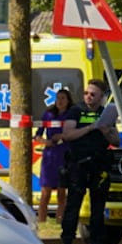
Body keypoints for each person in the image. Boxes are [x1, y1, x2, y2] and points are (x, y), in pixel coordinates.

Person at [58, 78, 119, 244]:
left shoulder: (105, 113)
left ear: (101, 97)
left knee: (98, 209)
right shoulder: (76, 111)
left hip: (99, 165)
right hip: (78, 165)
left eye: (93, 94)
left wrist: (105, 130)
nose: (88, 97)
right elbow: (67, 134)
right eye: (86, 93)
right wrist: (91, 127)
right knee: (73, 207)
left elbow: (116, 141)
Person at [36, 84, 79, 228]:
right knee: (45, 192)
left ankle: (60, 222)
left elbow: (72, 133)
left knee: (62, 191)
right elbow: (38, 134)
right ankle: (41, 222)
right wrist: (43, 141)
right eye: (57, 98)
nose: (60, 101)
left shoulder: (71, 115)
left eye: (63, 98)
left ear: (68, 100)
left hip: (64, 154)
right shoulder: (48, 114)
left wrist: (61, 138)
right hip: (49, 156)